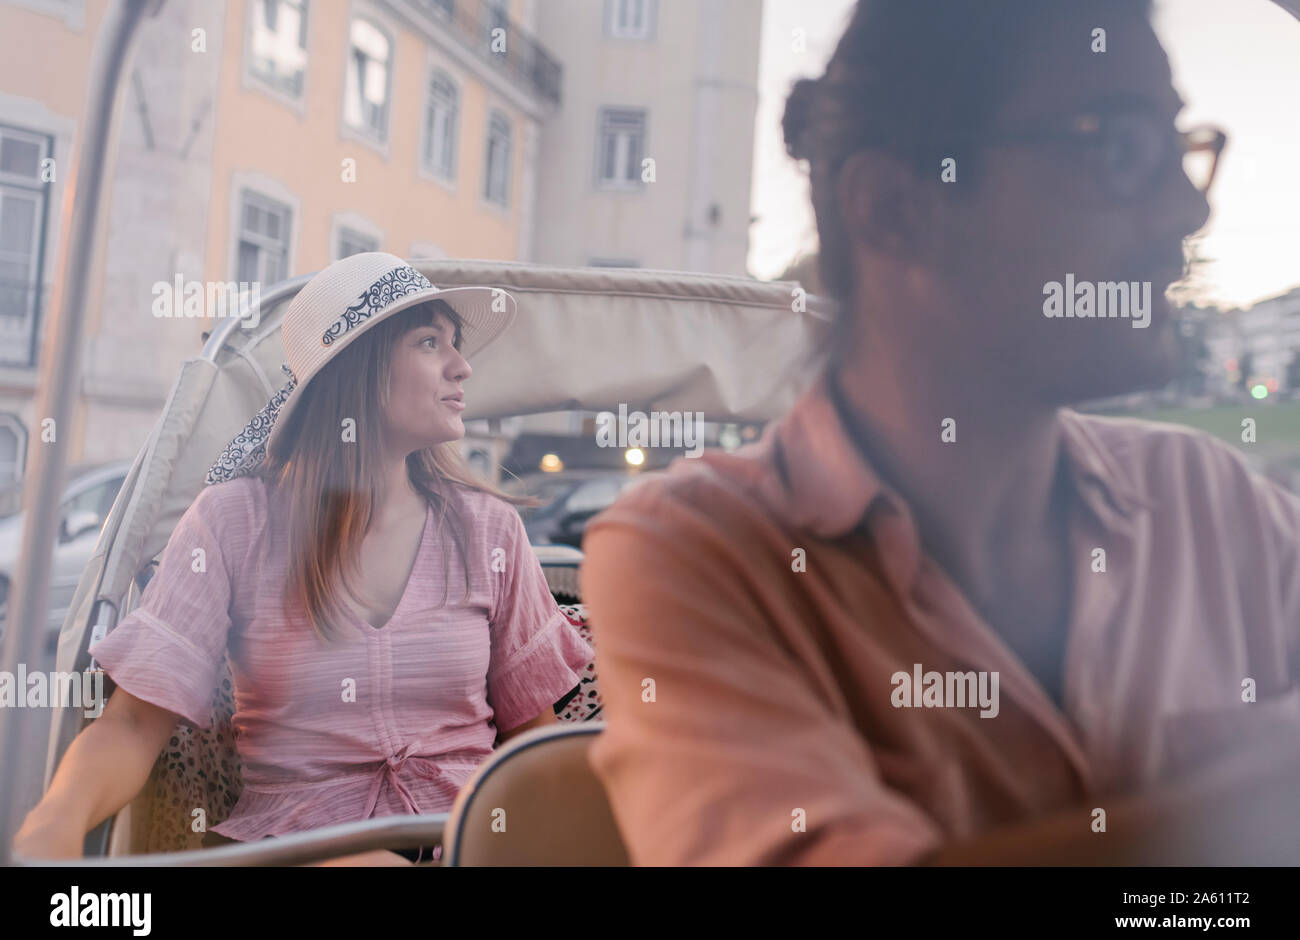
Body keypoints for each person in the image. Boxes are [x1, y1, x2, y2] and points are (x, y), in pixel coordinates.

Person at [580, 0, 1300, 865]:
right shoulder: (698, 555)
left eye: (1181, 148)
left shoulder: (1218, 505)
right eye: (1115, 146)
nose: (1188, 211)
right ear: (894, 208)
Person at [14, 252, 593, 865]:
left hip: (472, 842)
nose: (463, 367)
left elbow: (534, 737)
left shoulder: (491, 530)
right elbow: (132, 726)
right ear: (357, 369)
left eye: (456, 344)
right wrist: (53, 824)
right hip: (304, 852)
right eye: (430, 342)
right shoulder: (232, 524)